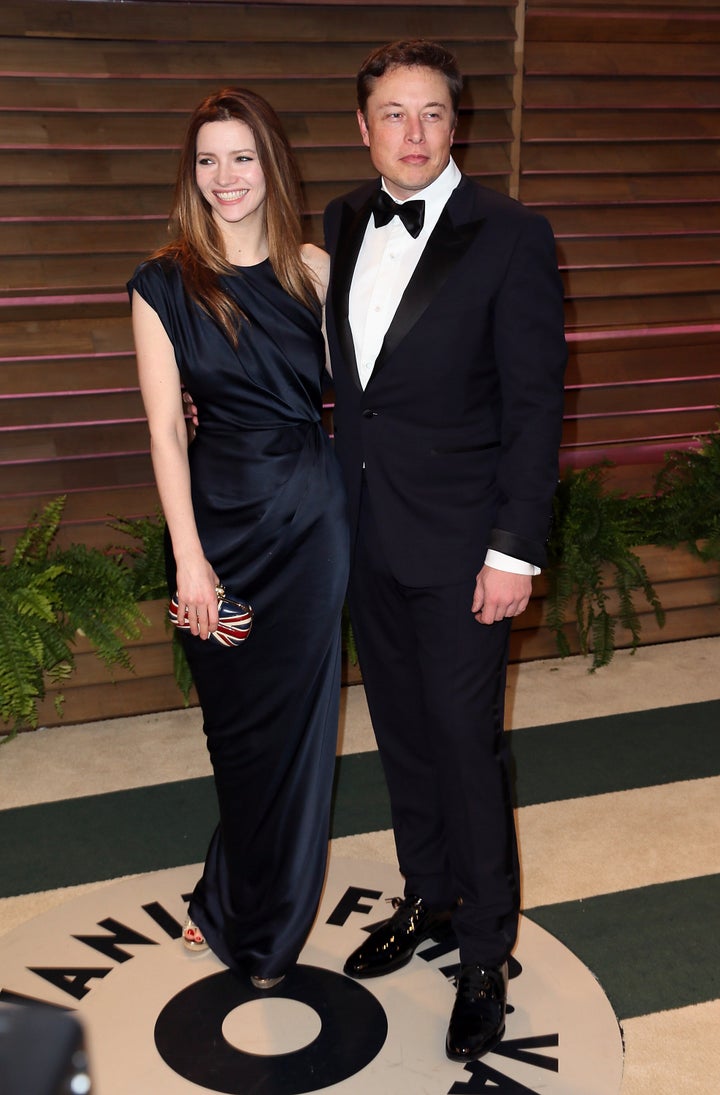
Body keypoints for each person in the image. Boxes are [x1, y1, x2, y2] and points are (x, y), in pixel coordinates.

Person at [323, 40, 567, 1060]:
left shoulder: (511, 234)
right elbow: (352, 382)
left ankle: (483, 954)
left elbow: (535, 404)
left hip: (468, 549)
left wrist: (514, 550)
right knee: (406, 737)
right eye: (393, 113)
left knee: (468, 751)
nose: (412, 133)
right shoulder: (341, 220)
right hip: (366, 538)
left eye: (431, 113)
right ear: (364, 126)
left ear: (455, 124)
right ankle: (426, 897)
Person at [127, 88, 349, 990]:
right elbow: (165, 432)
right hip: (216, 529)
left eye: (242, 157)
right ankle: (227, 894)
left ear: (272, 164)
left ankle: (264, 931)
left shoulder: (316, 272)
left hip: (310, 523)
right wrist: (187, 554)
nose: (225, 177)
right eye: (208, 160)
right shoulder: (161, 285)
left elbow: (371, 397)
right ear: (193, 173)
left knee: (297, 730)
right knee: (237, 731)